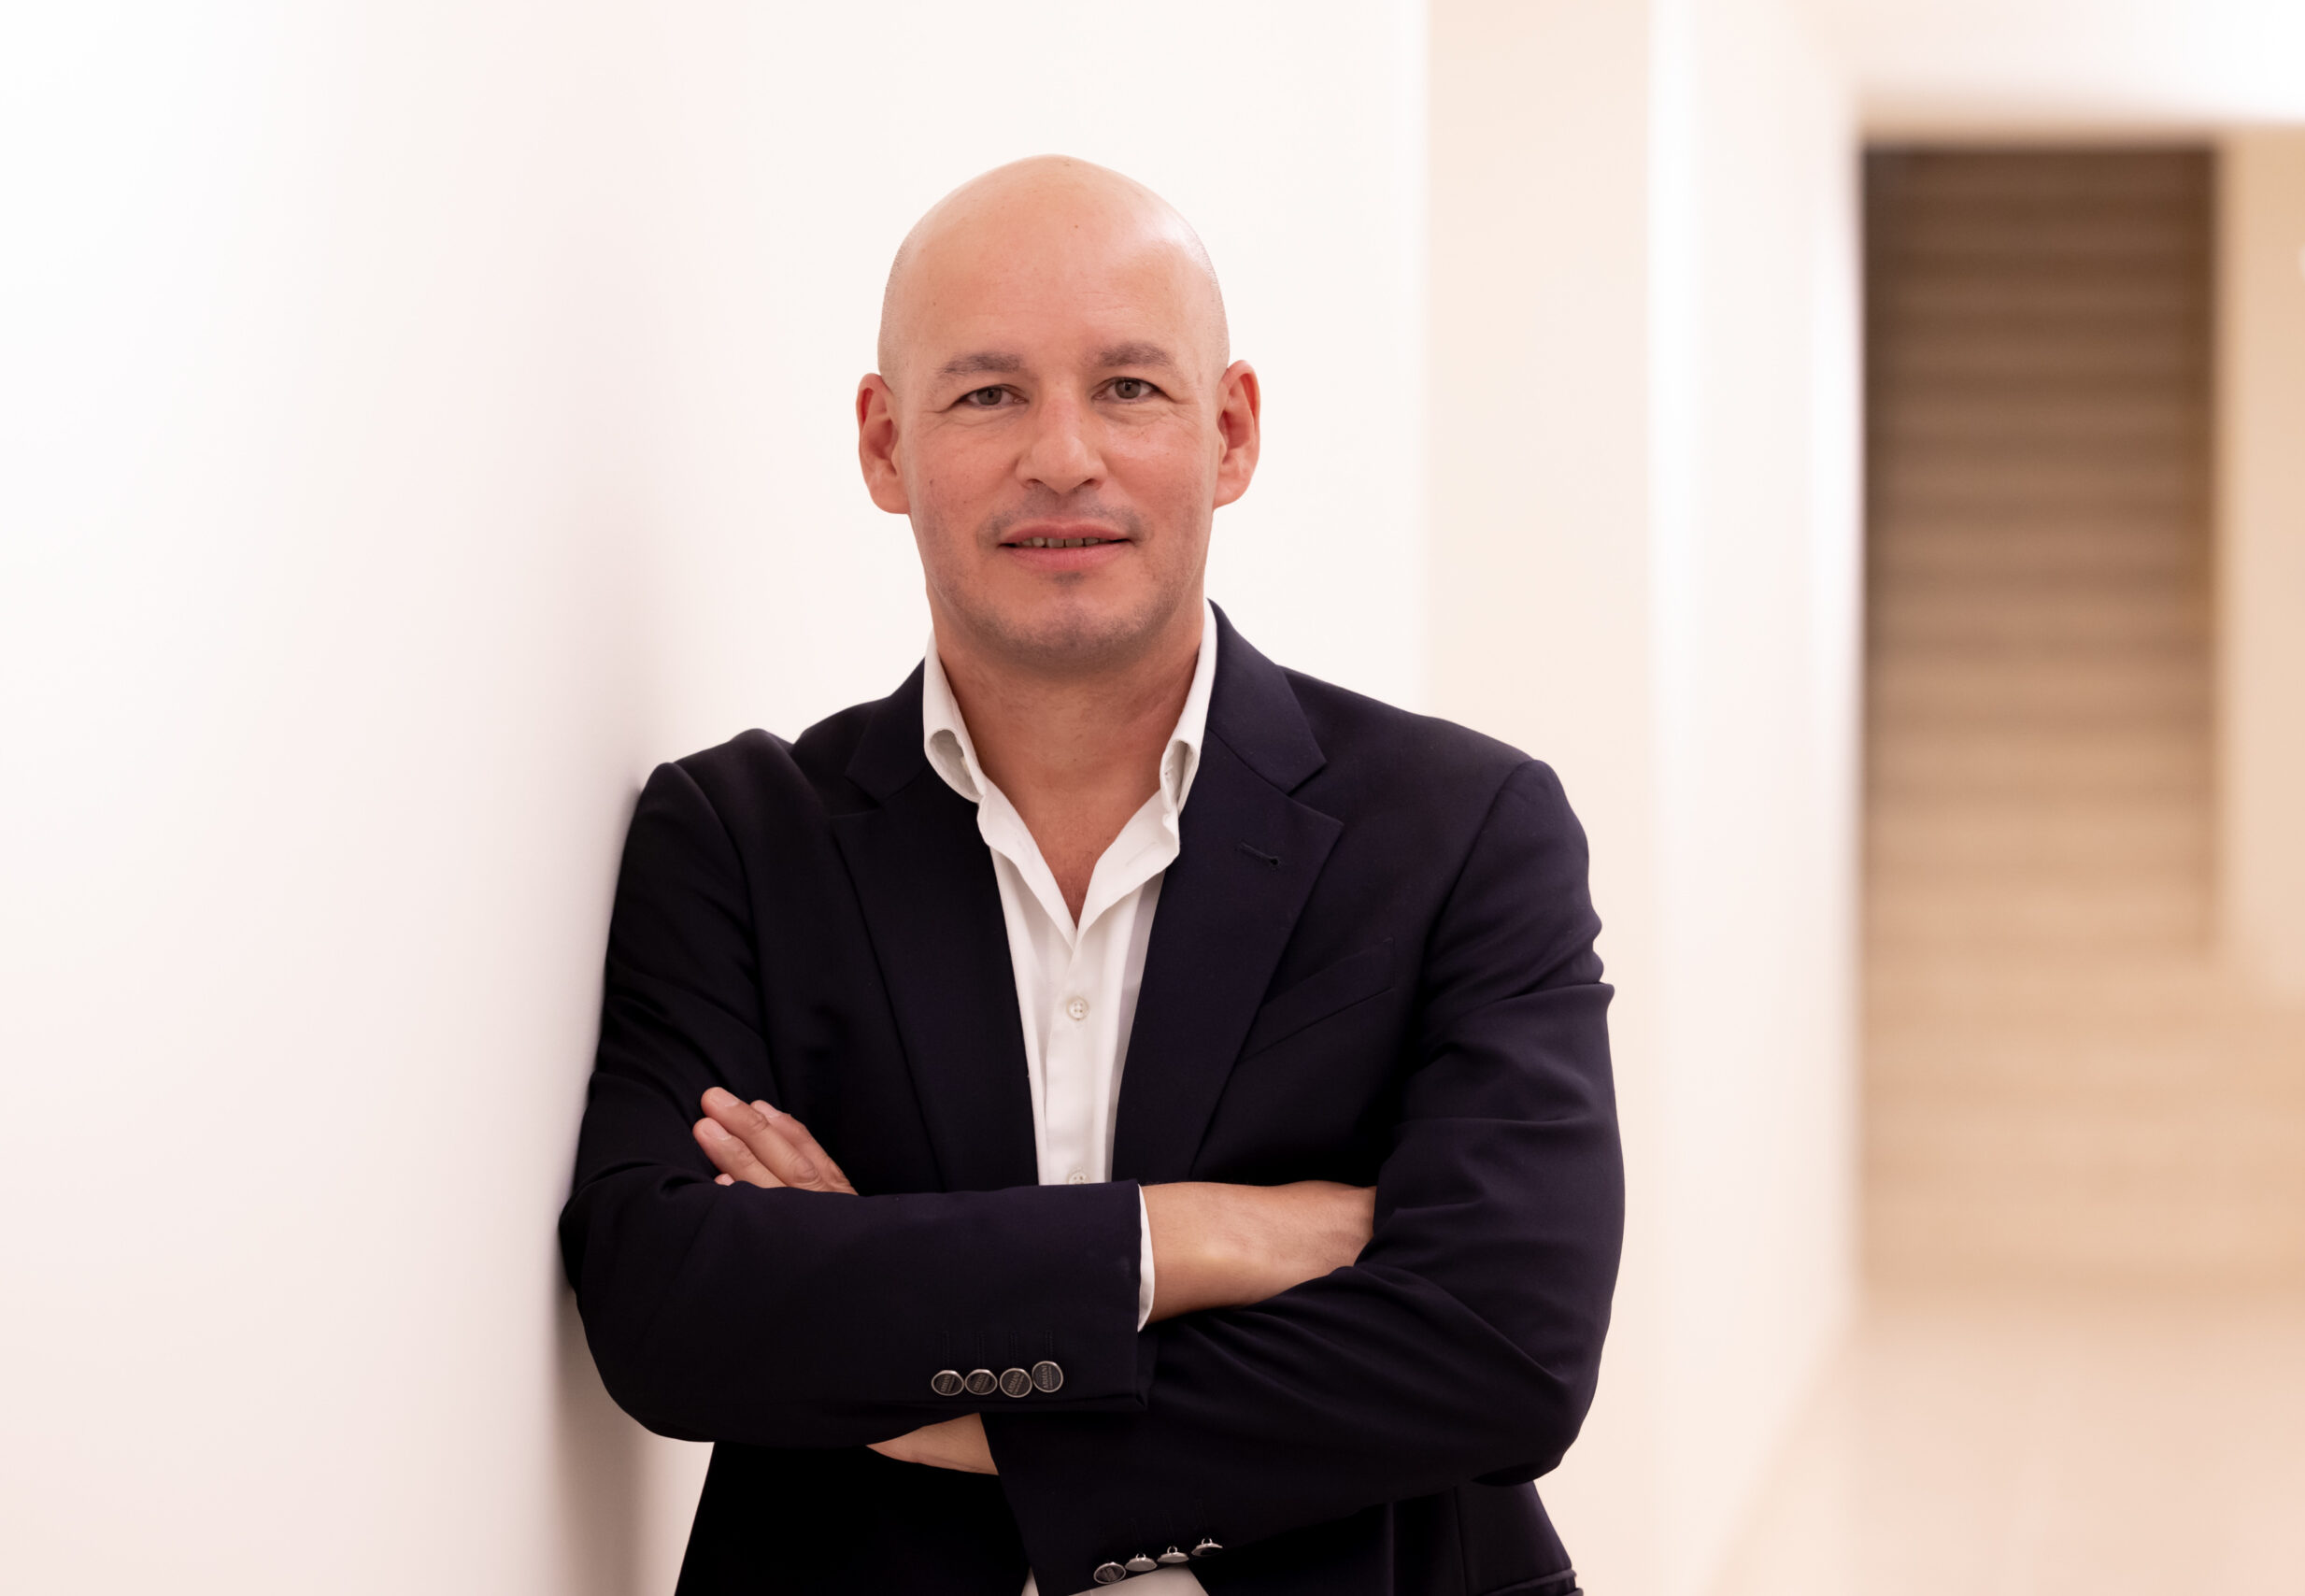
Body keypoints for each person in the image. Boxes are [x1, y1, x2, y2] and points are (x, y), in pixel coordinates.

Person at [560, 155, 1624, 1596]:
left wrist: (940, 1379)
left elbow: (1504, 1350)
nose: (1062, 456)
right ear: (884, 445)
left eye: (1128, 388)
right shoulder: (741, 839)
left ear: (1229, 432)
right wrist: (1196, 1237)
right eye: (988, 394)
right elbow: (673, 1313)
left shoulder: (1465, 830)